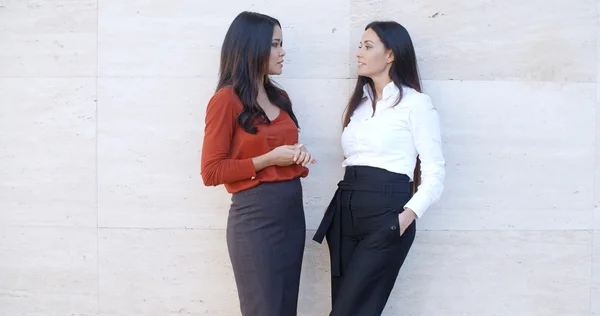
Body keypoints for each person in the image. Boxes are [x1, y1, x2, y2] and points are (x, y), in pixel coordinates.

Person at [313, 21, 445, 315]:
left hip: (386, 214)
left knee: (351, 310)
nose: (358, 52)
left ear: (391, 55)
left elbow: (435, 173)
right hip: (345, 213)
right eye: (360, 45)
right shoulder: (359, 104)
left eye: (367, 46)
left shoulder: (416, 104)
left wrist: (405, 218)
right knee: (345, 306)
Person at [200, 11, 316, 316]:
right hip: (255, 220)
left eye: (281, 44)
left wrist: (296, 156)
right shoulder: (226, 100)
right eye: (275, 44)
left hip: (291, 214)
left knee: (285, 309)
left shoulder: (280, 97)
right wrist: (268, 159)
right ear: (252, 47)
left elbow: (280, 154)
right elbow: (211, 171)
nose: (282, 52)